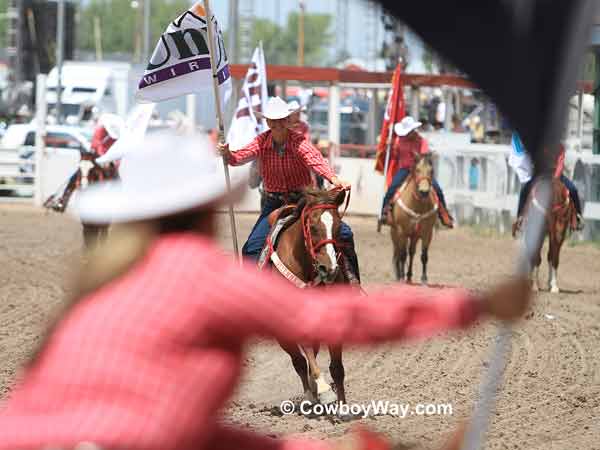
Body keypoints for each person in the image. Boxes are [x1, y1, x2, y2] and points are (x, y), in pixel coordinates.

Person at [0, 131, 532, 450]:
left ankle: (340, 273)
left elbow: (193, 435)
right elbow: (333, 323)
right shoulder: (193, 272)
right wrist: (475, 304)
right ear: (206, 210)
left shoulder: (103, 281)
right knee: (261, 246)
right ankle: (266, 280)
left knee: (338, 236)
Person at [218, 96, 361, 283]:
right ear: (267, 121)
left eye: (280, 120)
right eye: (272, 120)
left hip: (304, 200)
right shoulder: (261, 142)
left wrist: (334, 179)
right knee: (251, 248)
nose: (276, 124)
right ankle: (253, 290)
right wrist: (227, 154)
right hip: (274, 202)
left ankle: (352, 280)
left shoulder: (298, 142)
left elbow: (315, 160)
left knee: (344, 234)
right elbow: (238, 158)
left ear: (287, 120)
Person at [378, 116, 454, 228]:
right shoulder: (399, 140)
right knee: (391, 189)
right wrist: (389, 148)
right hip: (404, 170)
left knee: (437, 189)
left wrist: (421, 157)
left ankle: (444, 214)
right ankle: (384, 213)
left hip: (420, 170)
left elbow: (423, 156)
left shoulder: (421, 141)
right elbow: (394, 156)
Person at [511, 132, 584, 235]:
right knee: (525, 189)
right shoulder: (539, 146)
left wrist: (555, 178)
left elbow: (560, 163)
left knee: (573, 189)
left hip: (556, 175)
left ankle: (577, 217)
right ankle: (520, 218)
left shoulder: (560, 147)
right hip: (541, 174)